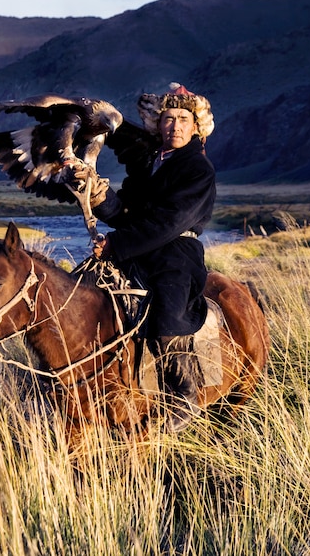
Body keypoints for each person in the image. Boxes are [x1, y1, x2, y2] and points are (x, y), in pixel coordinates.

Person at [80, 83, 216, 431]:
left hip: (176, 253)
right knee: (82, 288)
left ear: (195, 126)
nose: (175, 126)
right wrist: (99, 195)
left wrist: (116, 245)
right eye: (169, 119)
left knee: (168, 315)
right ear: (159, 123)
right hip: (139, 247)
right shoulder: (150, 164)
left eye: (183, 119)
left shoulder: (199, 170)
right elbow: (127, 212)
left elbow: (169, 223)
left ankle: (184, 395)